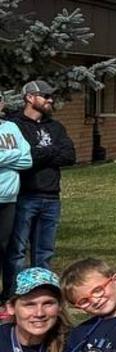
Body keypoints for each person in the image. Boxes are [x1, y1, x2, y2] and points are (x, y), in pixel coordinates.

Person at [8, 82, 75, 288]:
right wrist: (49, 152)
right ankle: (13, 293)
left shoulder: (55, 127)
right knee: (17, 252)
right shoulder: (14, 125)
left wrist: (37, 153)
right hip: (24, 196)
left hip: (52, 197)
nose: (50, 100)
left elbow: (69, 156)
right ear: (29, 97)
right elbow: (23, 157)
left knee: (45, 251)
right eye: (45, 96)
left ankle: (44, 292)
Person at [0, 93, 29, 305]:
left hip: (8, 198)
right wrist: (13, 155)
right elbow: (19, 156)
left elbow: (27, 159)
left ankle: (5, 297)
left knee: (3, 249)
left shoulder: (11, 128)